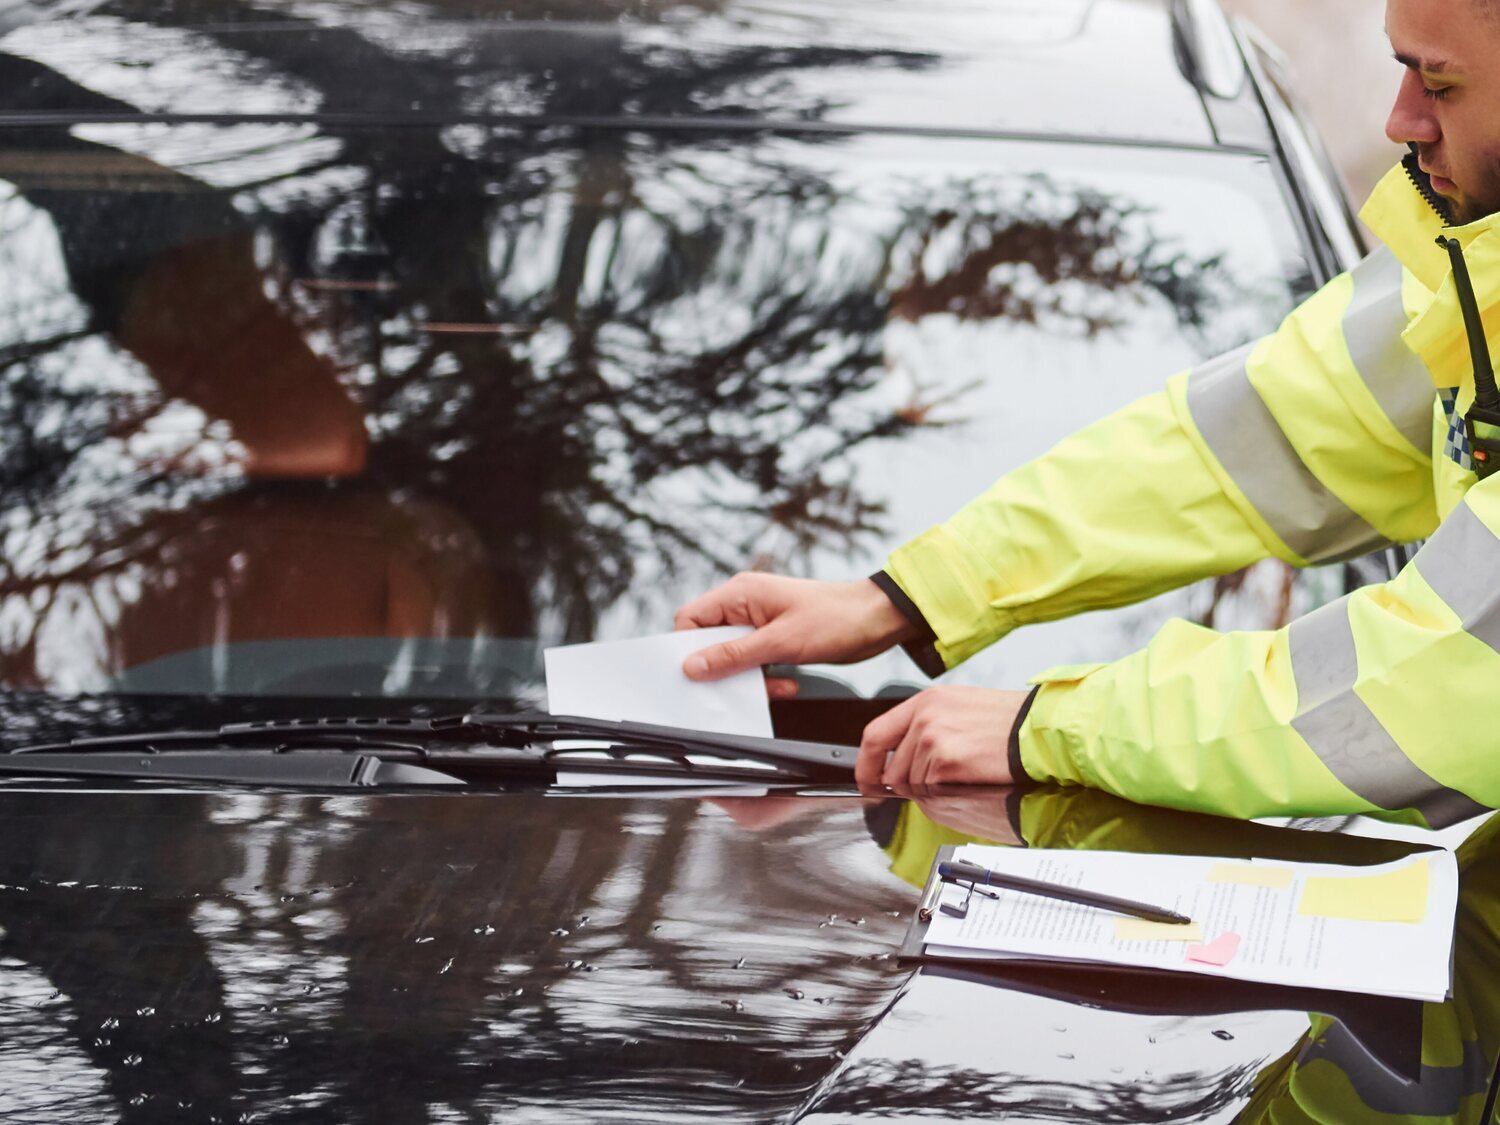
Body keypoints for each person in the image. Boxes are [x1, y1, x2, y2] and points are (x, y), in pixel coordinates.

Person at [676, 0, 1500, 828]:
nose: (1401, 120)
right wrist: (904, 595)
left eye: (1439, 83)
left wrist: (1054, 726)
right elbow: (1260, 444)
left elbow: (1453, 678)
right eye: (1401, 70)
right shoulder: (1472, 274)